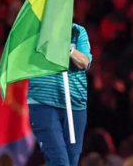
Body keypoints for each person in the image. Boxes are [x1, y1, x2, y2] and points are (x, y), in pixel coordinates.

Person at [27, 23, 92, 166]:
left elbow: (84, 63)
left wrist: (66, 47)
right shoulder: (35, 29)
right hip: (44, 104)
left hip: (75, 106)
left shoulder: (77, 31)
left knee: (71, 162)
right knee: (59, 161)